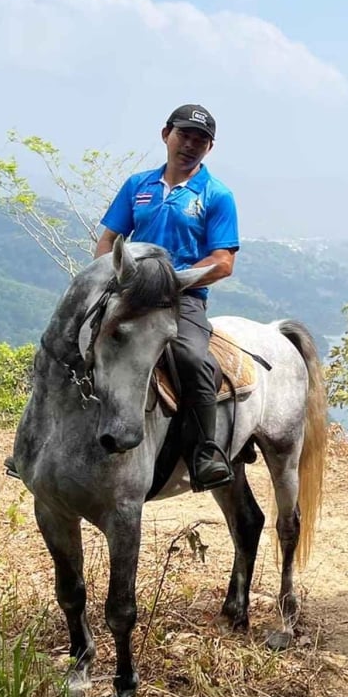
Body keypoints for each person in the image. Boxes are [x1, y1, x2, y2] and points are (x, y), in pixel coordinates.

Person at [95, 104, 240, 491]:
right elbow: (109, 240)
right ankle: (41, 439)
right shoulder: (137, 186)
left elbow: (224, 261)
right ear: (166, 135)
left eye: (200, 140)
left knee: (193, 359)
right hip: (127, 292)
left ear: (209, 148)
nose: (190, 145)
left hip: (182, 299)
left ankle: (205, 453)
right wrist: (110, 272)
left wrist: (173, 281)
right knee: (70, 338)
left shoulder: (216, 195)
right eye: (184, 135)